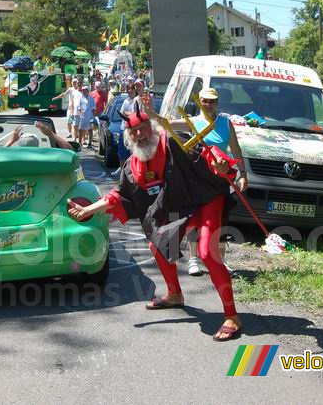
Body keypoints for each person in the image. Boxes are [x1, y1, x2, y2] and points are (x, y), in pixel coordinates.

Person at [67, 101, 243, 341]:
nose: (139, 135)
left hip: (205, 198)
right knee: (157, 244)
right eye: (133, 132)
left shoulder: (173, 141)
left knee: (207, 253)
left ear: (152, 127)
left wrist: (222, 167)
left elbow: (207, 154)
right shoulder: (132, 166)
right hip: (179, 207)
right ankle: (174, 294)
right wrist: (89, 210)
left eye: (142, 128)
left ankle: (232, 315)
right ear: (127, 137)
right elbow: (119, 195)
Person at [143, 88, 246, 277]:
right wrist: (151, 112)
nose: (208, 104)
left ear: (217, 103)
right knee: (195, 215)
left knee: (220, 219)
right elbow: (167, 124)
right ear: (200, 102)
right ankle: (194, 259)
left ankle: (220, 261)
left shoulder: (225, 122)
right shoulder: (193, 122)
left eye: (212, 101)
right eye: (205, 101)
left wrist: (243, 173)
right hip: (197, 177)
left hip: (220, 176)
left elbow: (235, 148)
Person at [111, 83, 138, 177]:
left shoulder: (137, 100)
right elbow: (122, 113)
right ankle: (122, 169)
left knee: (132, 151)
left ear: (135, 90)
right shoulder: (126, 101)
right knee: (121, 150)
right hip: (124, 128)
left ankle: (132, 170)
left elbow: (136, 114)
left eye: (132, 89)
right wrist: (130, 114)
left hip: (133, 129)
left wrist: (129, 114)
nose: (130, 91)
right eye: (129, 89)